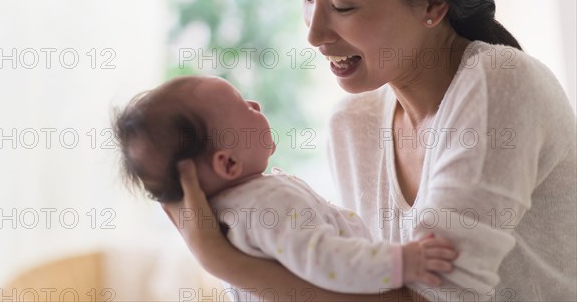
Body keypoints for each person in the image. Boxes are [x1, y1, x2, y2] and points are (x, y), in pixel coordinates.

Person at [162, 0, 577, 300]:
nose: (314, 34)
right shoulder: (352, 126)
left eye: (343, 5)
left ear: (432, 5)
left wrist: (221, 261)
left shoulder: (499, 82)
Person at [113, 75, 459, 299]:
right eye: (243, 107)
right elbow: (327, 259)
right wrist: (402, 262)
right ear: (228, 163)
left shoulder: (229, 216)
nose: (257, 105)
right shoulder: (267, 205)